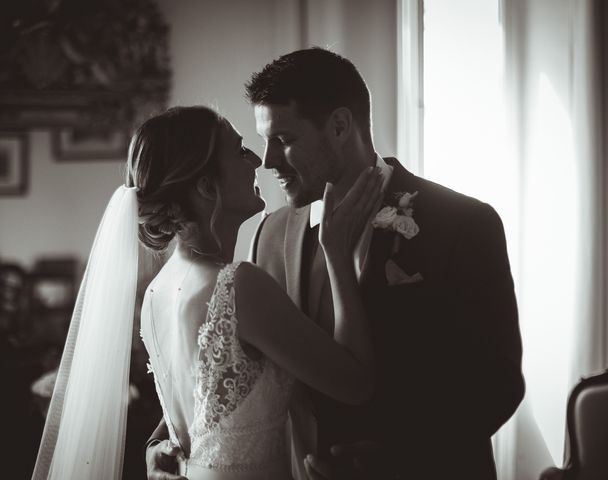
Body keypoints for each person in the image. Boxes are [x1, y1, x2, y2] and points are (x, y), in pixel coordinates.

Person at [146, 48, 525, 480]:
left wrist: (394, 461)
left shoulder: (462, 224)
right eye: (262, 141)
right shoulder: (268, 234)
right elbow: (233, 371)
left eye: (283, 140)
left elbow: (496, 384)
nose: (267, 161)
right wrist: (164, 442)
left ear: (341, 126)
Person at [32, 105, 382, 480]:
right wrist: (338, 253)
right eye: (239, 149)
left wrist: (154, 446)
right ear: (205, 186)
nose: (256, 161)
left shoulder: (156, 293)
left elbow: (204, 412)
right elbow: (355, 383)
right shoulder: (239, 286)